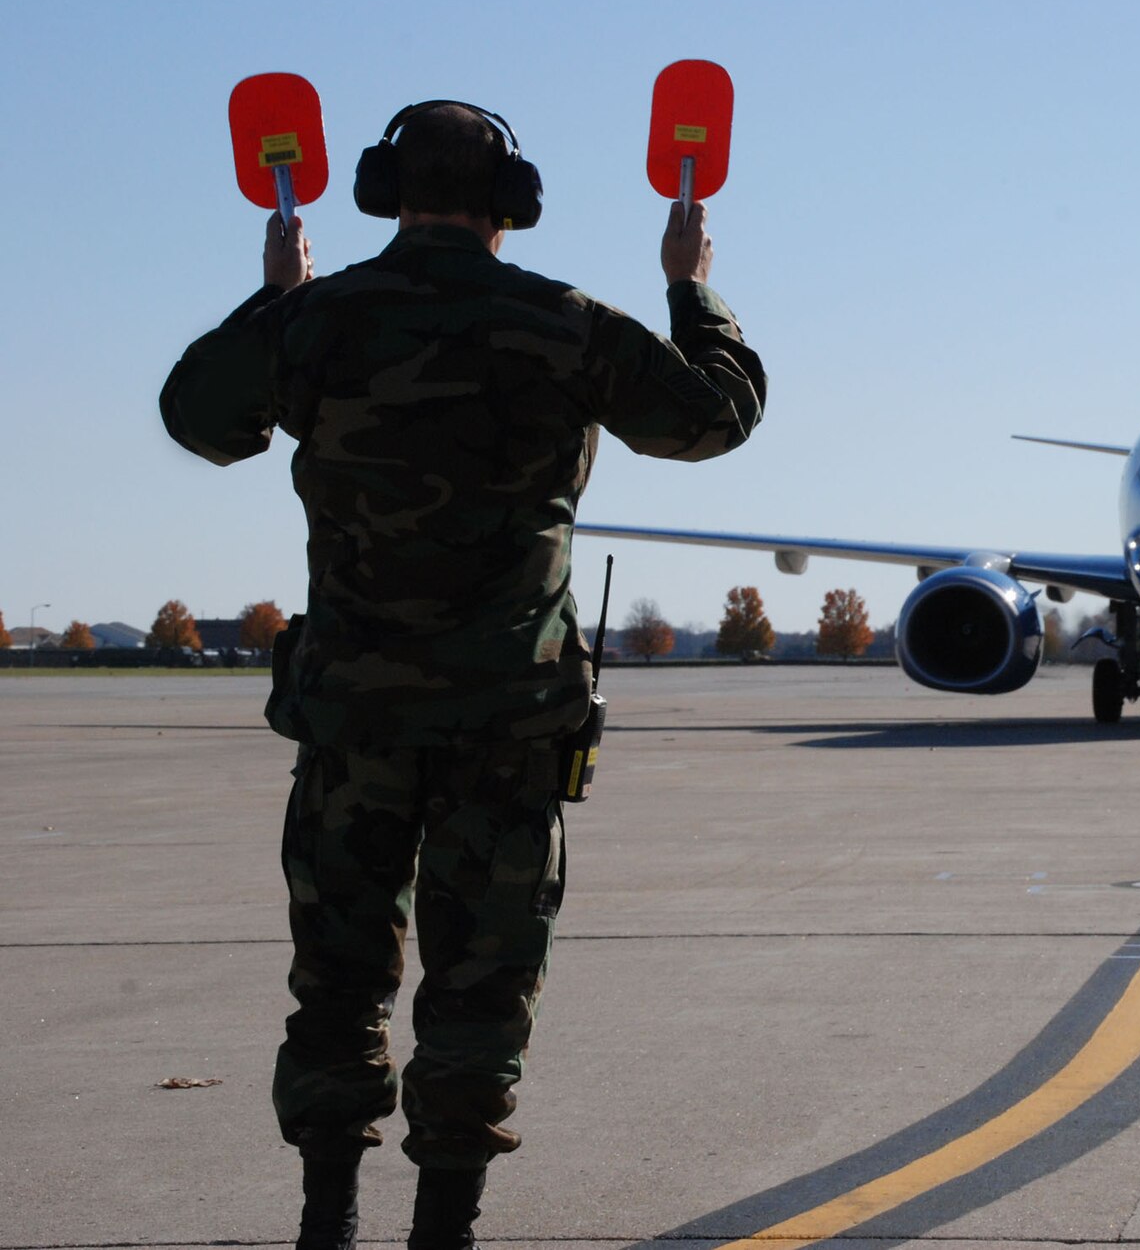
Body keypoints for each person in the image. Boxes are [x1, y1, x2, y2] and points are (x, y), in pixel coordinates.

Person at [160, 101, 765, 1250]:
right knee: (479, 994)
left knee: (338, 984)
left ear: (388, 192)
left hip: (355, 723)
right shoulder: (566, 325)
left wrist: (277, 297)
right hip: (507, 722)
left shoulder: (320, 322)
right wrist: (692, 285)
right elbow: (714, 417)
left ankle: (327, 1223)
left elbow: (200, 419)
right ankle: (446, 1229)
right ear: (511, 206)